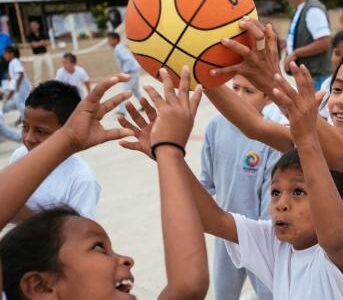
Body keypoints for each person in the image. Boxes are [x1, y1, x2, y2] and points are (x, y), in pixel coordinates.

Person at [207, 20, 343, 298]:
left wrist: (272, 79)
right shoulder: (317, 144)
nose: (342, 100)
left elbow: (340, 154)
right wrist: (201, 76)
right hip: (338, 288)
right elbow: (256, 127)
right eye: (337, 89)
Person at [124, 67, 343, 299]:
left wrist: (306, 139)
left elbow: (333, 232)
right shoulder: (274, 243)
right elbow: (213, 219)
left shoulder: (339, 254)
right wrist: (167, 153)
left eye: (298, 191)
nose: (281, 203)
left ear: (340, 207)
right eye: (275, 192)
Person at [0, 71, 209, 300]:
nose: (127, 259)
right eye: (99, 247)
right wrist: (169, 149)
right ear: (40, 286)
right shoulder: (22, 156)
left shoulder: (82, 179)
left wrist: (68, 139)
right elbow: (188, 285)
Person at [198, 74, 280, 300]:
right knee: (224, 294)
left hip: (259, 238)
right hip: (224, 234)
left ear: (268, 99)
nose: (240, 97)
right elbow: (205, 184)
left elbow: (270, 205)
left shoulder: (272, 137)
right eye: (236, 88)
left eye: (249, 91)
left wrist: (262, 239)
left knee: (269, 294)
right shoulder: (215, 127)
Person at [8, 81, 100, 222]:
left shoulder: (82, 180)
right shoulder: (20, 155)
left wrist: (24, 214)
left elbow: (78, 237)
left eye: (40, 131)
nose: (28, 138)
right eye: (25, 127)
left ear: (68, 131)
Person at [284, 0, 332, 90]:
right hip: (309, 76)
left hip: (316, 77)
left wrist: (295, 53)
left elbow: (324, 42)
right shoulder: (302, 8)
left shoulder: (313, 10)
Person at [107, 32, 142, 115]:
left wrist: (127, 72)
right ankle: (143, 104)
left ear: (115, 40)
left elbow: (128, 59)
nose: (108, 42)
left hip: (131, 72)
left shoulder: (118, 49)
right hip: (134, 71)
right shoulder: (120, 47)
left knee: (124, 92)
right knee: (135, 90)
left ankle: (122, 111)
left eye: (109, 40)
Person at [3, 46, 31, 116]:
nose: (4, 56)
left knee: (22, 104)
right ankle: (24, 118)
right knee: (23, 104)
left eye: (6, 54)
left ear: (11, 54)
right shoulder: (12, 63)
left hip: (21, 88)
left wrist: (17, 86)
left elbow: (20, 73)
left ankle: (26, 118)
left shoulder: (14, 61)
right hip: (20, 88)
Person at [27, 21, 54, 86]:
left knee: (51, 69)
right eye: (32, 26)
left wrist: (39, 43)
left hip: (45, 54)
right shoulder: (30, 35)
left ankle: (52, 84)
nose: (33, 27)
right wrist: (41, 42)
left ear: (38, 26)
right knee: (37, 72)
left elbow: (48, 43)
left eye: (34, 25)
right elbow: (33, 45)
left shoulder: (43, 33)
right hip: (37, 55)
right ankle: (37, 86)